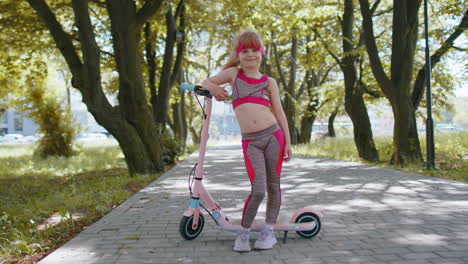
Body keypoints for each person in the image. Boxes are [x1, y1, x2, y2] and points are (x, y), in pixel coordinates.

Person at [200, 29, 292, 252]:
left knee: (274, 185)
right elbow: (205, 81)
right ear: (238, 54)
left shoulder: (269, 82)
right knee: (258, 189)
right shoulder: (234, 75)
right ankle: (243, 233)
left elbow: (279, 113)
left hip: (274, 137)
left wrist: (288, 141)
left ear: (261, 53)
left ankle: (268, 232)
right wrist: (213, 87)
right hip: (251, 142)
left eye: (254, 50)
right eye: (245, 50)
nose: (250, 54)